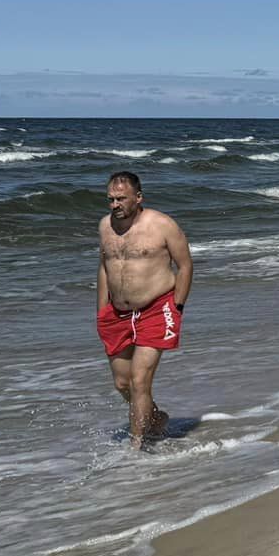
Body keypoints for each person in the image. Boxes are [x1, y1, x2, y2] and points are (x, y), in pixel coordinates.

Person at [97, 171, 193, 447]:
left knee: (140, 381)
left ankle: (137, 446)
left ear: (138, 197)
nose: (115, 205)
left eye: (121, 199)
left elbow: (185, 266)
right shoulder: (105, 226)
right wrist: (102, 311)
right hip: (117, 314)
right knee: (123, 384)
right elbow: (105, 267)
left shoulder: (163, 225)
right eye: (111, 199)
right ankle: (155, 417)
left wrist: (177, 307)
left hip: (157, 308)